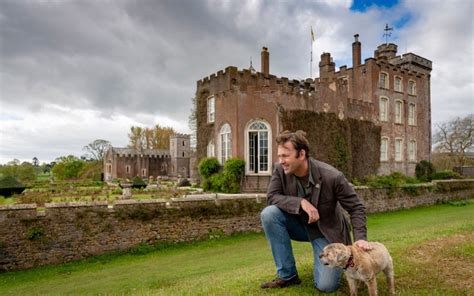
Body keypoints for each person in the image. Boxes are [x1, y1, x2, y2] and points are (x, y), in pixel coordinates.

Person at [260, 130, 371, 292]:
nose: (281, 161)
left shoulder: (332, 176)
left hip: (326, 231)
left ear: (302, 154)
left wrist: (360, 239)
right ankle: (288, 276)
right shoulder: (279, 171)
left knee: (326, 286)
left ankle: (332, 266)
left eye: (285, 156)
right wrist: (301, 202)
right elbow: (272, 197)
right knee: (269, 214)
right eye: (279, 156)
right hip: (298, 226)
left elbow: (356, 208)